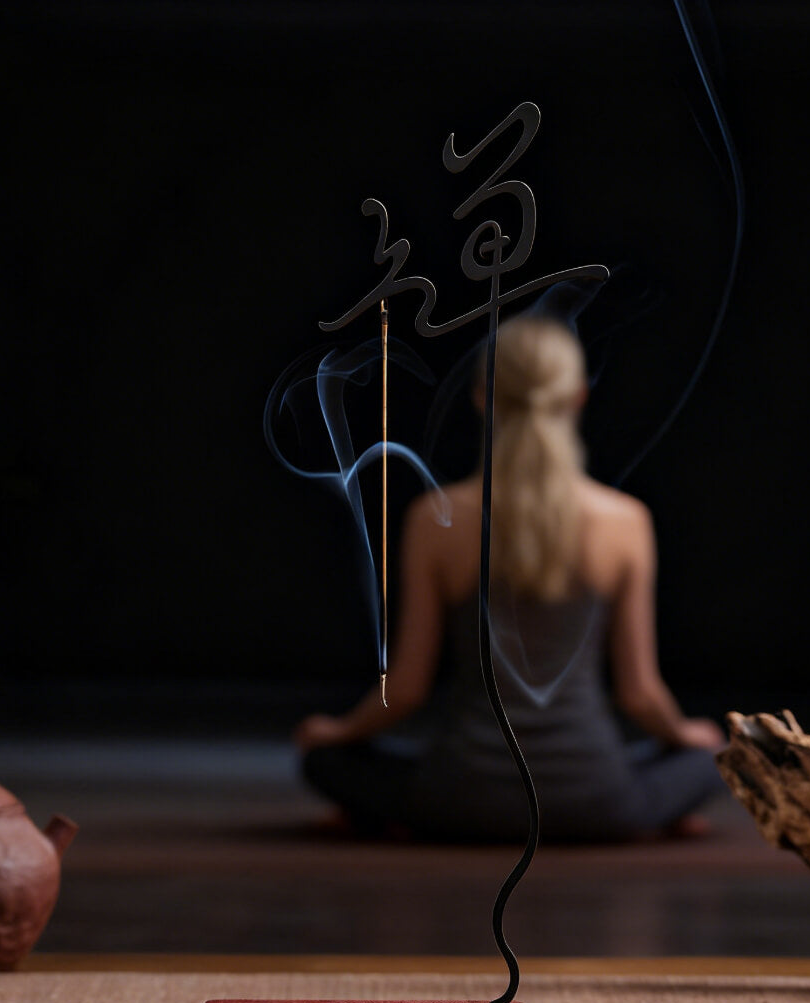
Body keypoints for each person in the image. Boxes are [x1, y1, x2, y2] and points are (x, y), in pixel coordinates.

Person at [295, 314, 725, 842]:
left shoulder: (436, 519)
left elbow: (405, 690)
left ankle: (376, 815)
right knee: (715, 757)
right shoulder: (626, 522)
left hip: (458, 803)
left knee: (324, 760)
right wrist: (686, 735)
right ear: (576, 399)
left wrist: (336, 733)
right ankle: (665, 813)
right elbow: (639, 694)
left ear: (480, 398)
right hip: (599, 803)